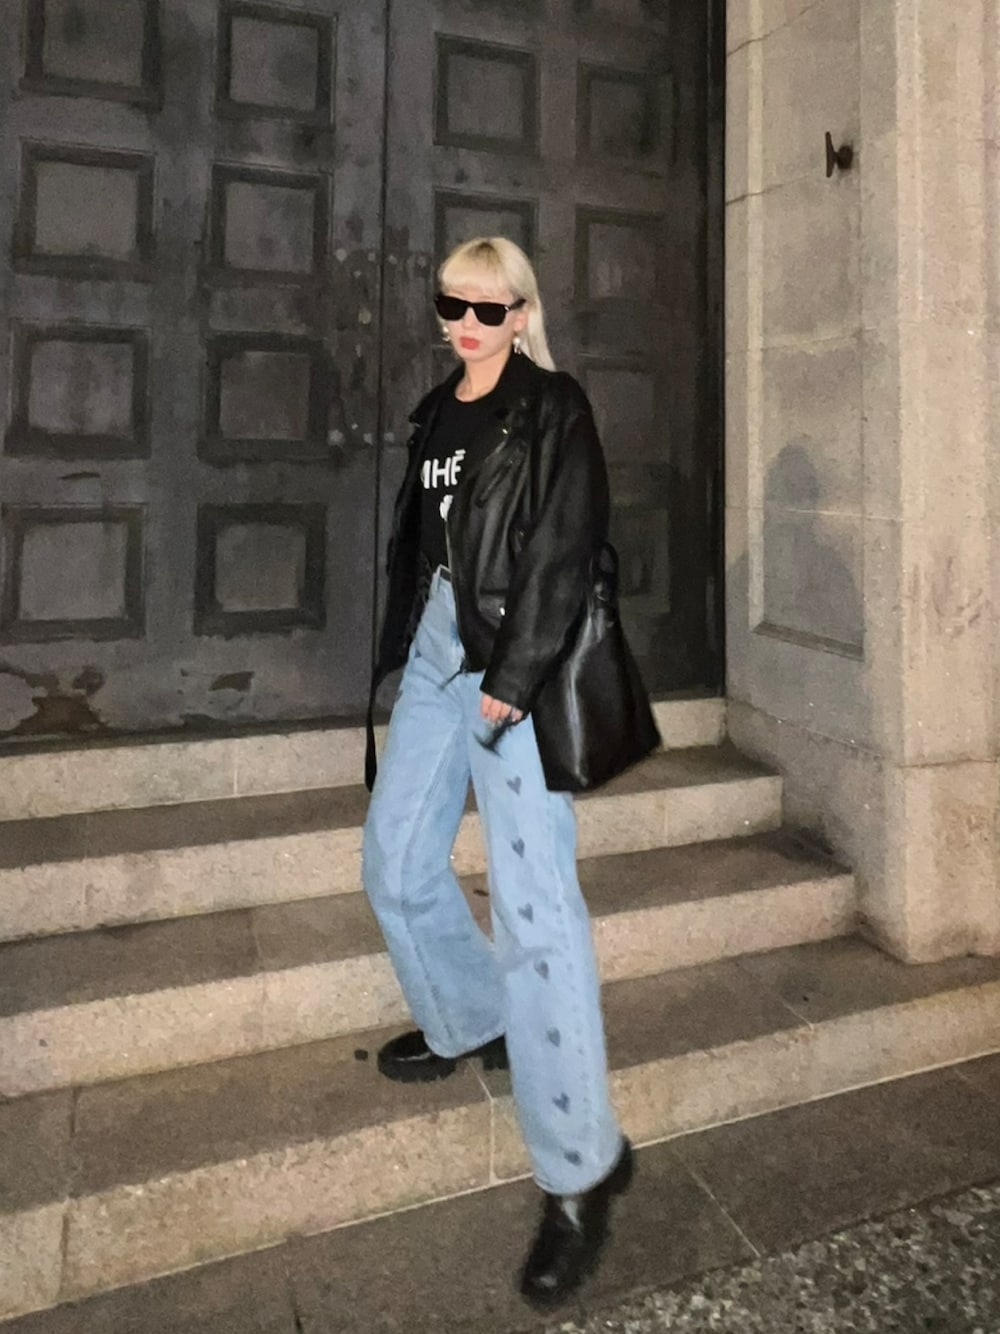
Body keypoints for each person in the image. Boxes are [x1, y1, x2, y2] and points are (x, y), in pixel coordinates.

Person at [362, 237, 632, 1309]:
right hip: (441, 653)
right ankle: (473, 1018)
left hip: (517, 659)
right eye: (453, 305)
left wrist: (514, 678)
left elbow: (566, 546)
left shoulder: (552, 408)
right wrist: (411, 650)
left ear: (522, 314)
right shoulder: (438, 410)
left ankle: (582, 1170)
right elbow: (428, 548)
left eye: (490, 308)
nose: (467, 325)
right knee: (395, 862)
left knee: (536, 911)